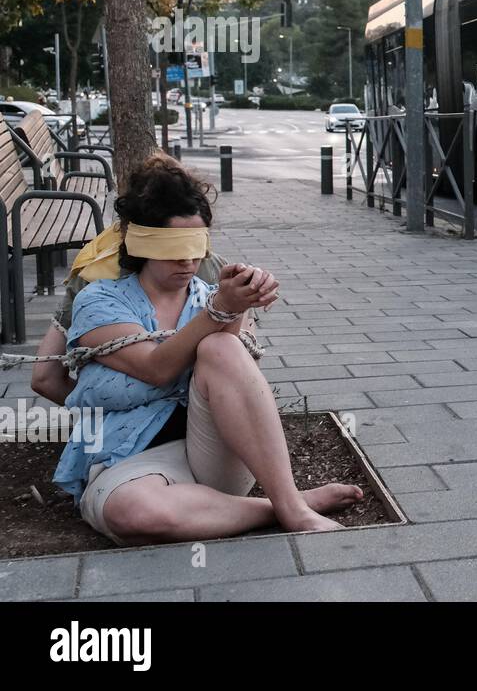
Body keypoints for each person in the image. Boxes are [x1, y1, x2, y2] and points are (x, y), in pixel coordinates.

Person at [50, 153, 361, 545]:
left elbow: (233, 361)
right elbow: (155, 368)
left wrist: (240, 301)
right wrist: (222, 308)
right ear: (141, 242)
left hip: (214, 452)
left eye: (196, 246)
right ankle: (285, 504)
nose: (188, 260)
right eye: (172, 247)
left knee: (221, 348)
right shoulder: (99, 302)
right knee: (133, 513)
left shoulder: (208, 296)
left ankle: (291, 507)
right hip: (129, 460)